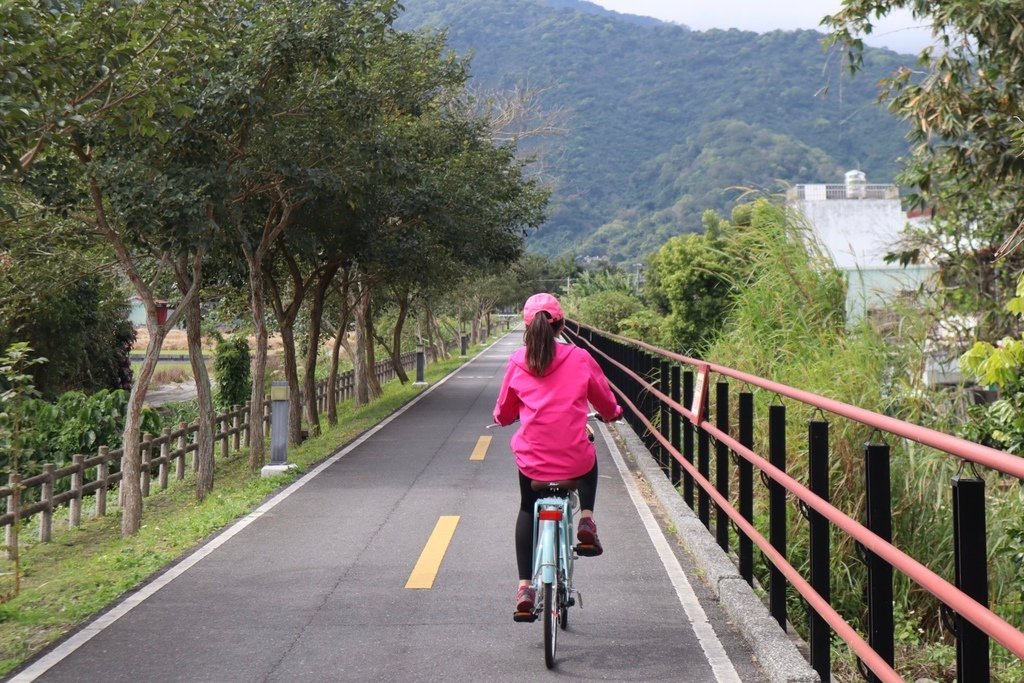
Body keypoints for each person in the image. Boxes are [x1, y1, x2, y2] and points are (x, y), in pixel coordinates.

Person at [492, 292, 622, 616]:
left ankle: (524, 587)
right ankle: (587, 521)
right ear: (561, 324)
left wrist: (504, 418)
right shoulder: (579, 358)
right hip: (573, 460)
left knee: (526, 508)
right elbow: (605, 402)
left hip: (533, 463)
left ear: (526, 327)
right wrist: (613, 412)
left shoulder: (517, 363)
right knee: (589, 457)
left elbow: (505, 412)